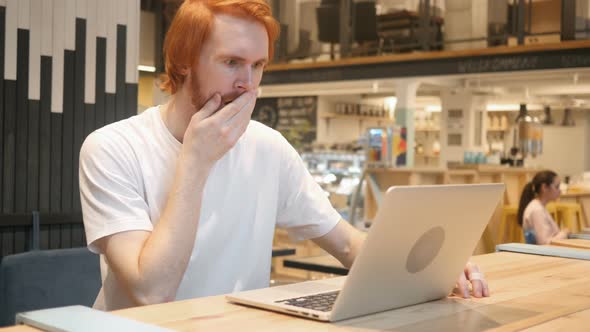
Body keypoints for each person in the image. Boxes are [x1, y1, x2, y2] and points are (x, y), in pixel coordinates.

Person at [79, 0, 488, 311]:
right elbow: (151, 291)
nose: (248, 84)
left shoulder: (268, 147)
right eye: (232, 63)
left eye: (258, 66)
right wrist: (195, 160)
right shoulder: (113, 148)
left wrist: (433, 267)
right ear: (184, 63)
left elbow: (346, 244)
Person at [517, 170, 568, 245]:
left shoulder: (538, 207)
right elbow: (545, 243)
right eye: (556, 187)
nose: (559, 191)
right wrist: (564, 234)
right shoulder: (536, 210)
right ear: (544, 187)